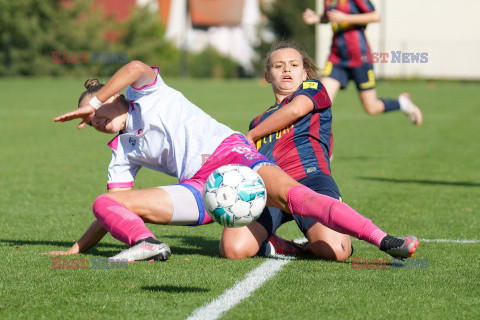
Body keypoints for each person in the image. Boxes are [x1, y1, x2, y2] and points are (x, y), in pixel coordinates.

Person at [46, 60, 419, 262]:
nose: (91, 121)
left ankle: (383, 239)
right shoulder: (121, 151)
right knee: (104, 201)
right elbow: (114, 210)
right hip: (200, 188)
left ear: (111, 97)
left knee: (298, 197)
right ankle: (149, 245)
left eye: (91, 113)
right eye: (86, 120)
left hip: (233, 156)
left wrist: (91, 102)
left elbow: (134, 66)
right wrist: (77, 249)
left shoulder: (149, 92)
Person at [220, 41, 351, 261]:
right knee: (233, 249)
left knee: (336, 250)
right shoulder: (258, 122)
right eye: (278, 66)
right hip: (270, 190)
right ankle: (283, 245)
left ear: (304, 73)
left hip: (311, 180)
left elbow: (296, 109)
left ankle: (331, 213)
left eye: (293, 65)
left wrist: (251, 136)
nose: (287, 69)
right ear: (268, 76)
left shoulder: (314, 89)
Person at [302, 1, 423, 125]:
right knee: (321, 101)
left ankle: (403, 103)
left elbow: (375, 16)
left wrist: (345, 18)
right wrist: (316, 18)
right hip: (336, 58)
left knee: (371, 108)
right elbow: (329, 17)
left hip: (360, 58)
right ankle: (313, 141)